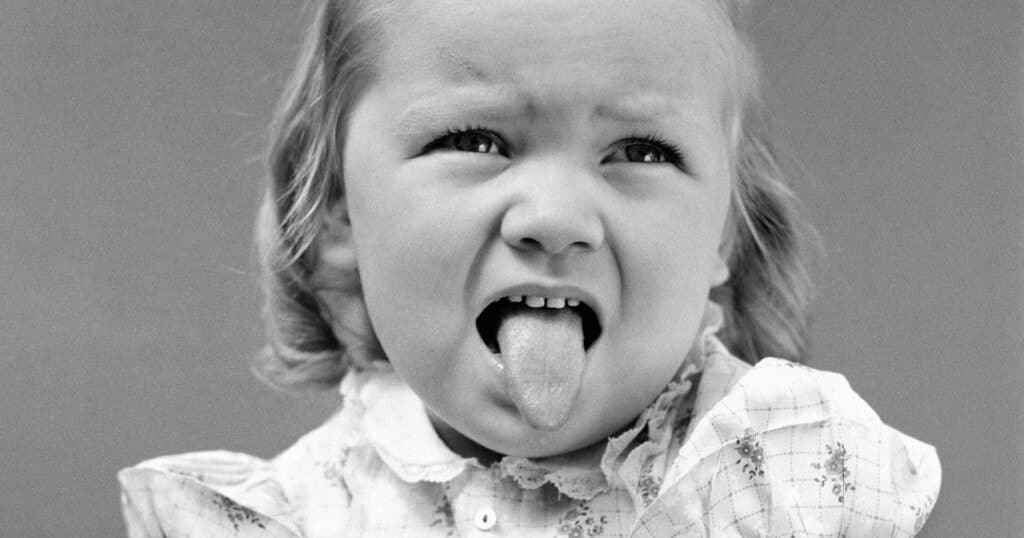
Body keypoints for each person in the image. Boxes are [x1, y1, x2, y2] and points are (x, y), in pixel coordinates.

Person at [118, 0, 941, 535]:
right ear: (336, 212)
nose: (554, 217)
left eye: (640, 150)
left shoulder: (787, 481)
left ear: (724, 236)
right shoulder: (293, 520)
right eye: (476, 141)